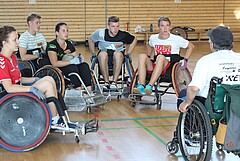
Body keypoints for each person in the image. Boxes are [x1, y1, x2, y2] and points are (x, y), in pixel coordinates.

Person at [0, 25, 68, 127]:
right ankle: (54, 120)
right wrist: (31, 88)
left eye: (18, 38)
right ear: (4, 43)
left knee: (49, 79)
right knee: (47, 85)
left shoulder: (12, 57)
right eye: (15, 40)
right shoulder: (2, 62)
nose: (18, 42)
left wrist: (35, 79)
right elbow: (9, 88)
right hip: (11, 98)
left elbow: (17, 79)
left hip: (18, 90)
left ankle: (57, 116)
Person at [178, 26, 240, 112]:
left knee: (184, 94)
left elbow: (194, 88)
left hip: (214, 105)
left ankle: (189, 125)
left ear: (212, 43)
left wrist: (186, 103)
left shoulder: (206, 60)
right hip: (237, 103)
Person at [133, 16, 194, 95]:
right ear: (158, 27)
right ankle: (141, 85)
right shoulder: (153, 38)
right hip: (156, 64)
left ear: (170, 27)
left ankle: (150, 86)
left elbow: (191, 46)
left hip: (169, 67)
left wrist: (185, 60)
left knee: (160, 57)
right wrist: (149, 55)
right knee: (142, 56)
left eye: (167, 25)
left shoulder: (176, 39)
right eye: (162, 26)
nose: (165, 28)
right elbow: (149, 44)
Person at [88, 15, 137, 91]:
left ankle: (114, 82)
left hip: (118, 56)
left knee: (117, 54)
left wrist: (129, 53)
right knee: (102, 54)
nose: (116, 29)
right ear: (108, 27)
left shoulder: (123, 34)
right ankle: (106, 82)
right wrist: (93, 53)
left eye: (117, 26)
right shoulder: (101, 33)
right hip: (104, 55)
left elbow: (134, 39)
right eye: (113, 26)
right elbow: (90, 39)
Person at [47, 22, 93, 94]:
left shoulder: (68, 43)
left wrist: (79, 59)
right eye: (63, 31)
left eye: (67, 30)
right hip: (59, 67)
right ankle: (78, 90)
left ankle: (89, 90)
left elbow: (75, 55)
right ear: (57, 33)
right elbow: (54, 63)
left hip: (69, 64)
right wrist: (72, 61)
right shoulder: (52, 45)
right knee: (72, 67)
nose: (66, 33)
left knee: (84, 65)